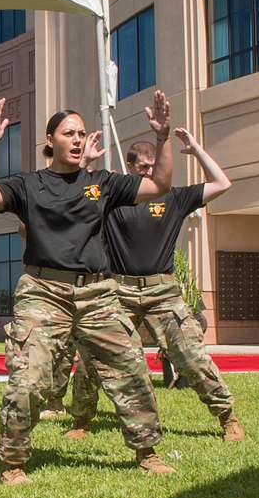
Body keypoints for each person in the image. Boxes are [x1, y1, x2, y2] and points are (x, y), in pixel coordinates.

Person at [0, 91, 179, 484]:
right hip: (43, 291)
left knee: (130, 369)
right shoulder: (28, 185)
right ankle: (13, 461)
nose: (77, 140)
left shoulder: (101, 183)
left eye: (82, 134)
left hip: (97, 293)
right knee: (29, 377)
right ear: (50, 141)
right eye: (69, 133)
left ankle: (146, 451)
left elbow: (160, 187)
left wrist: (163, 138)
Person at [66, 130, 245, 443]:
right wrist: (86, 162)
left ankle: (228, 417)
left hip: (163, 293)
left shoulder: (175, 197)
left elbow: (222, 183)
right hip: (117, 291)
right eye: (143, 167)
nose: (149, 171)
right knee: (91, 356)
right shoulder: (112, 198)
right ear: (131, 168)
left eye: (153, 166)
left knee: (191, 356)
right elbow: (73, 195)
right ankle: (81, 419)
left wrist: (196, 149)